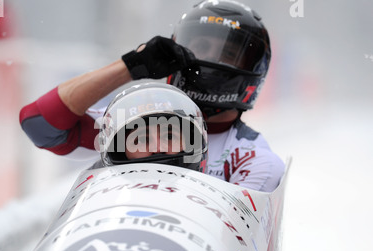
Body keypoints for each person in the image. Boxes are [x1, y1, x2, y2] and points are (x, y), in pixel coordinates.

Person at [19, 0, 284, 192]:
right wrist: (130, 66)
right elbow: (38, 123)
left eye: (226, 53)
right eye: (200, 46)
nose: (208, 60)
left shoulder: (252, 159)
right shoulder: (128, 123)